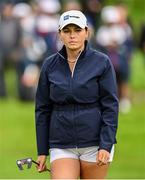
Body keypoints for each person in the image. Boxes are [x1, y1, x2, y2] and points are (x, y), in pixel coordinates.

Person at [35, 10, 118, 179]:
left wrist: (106, 144)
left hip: (95, 143)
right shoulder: (49, 65)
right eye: (67, 31)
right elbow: (42, 109)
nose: (72, 35)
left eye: (77, 30)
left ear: (86, 32)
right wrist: (42, 150)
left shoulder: (102, 62)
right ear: (60, 34)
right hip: (61, 143)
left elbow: (110, 106)